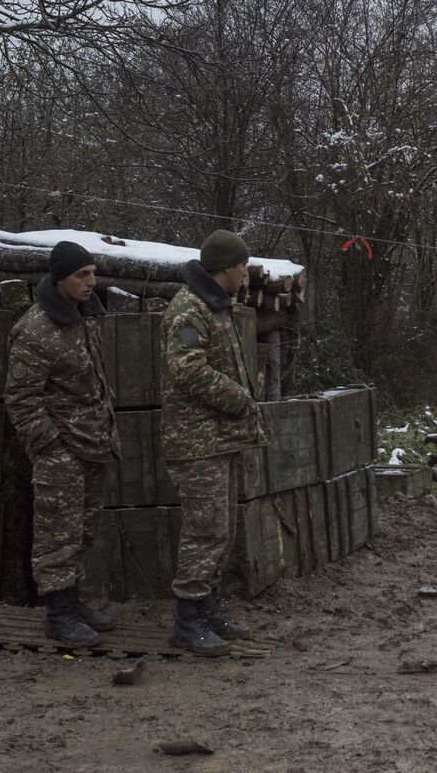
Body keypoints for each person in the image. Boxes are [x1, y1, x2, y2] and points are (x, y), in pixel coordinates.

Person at [4, 240, 119, 646]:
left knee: (82, 530)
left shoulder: (83, 317)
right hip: (62, 451)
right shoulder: (37, 330)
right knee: (57, 533)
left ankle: (71, 603)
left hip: (92, 443)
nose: (91, 281)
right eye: (81, 275)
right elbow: (21, 399)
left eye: (92, 272)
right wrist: (51, 447)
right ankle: (56, 613)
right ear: (59, 279)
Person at [160, 229, 267, 655]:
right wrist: (239, 397)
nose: (247, 271)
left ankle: (207, 610)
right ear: (226, 267)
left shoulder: (216, 307)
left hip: (219, 438)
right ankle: (187, 621)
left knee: (221, 530)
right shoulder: (189, 309)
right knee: (204, 531)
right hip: (197, 441)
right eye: (243, 264)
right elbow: (186, 369)